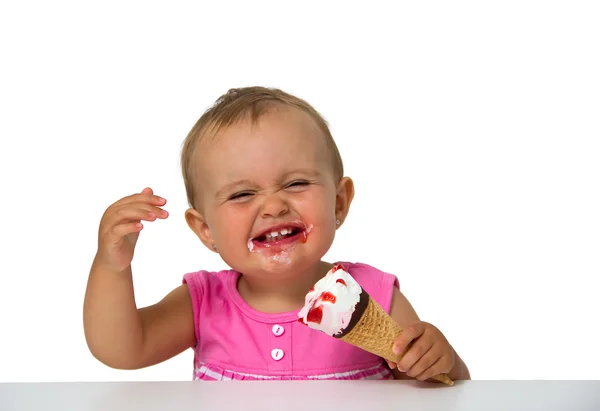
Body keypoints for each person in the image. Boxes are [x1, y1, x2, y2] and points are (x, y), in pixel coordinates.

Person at [83, 86, 471, 382]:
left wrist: (441, 359)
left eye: (297, 183)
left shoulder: (373, 294)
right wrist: (112, 268)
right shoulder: (203, 303)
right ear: (206, 230)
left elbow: (440, 387)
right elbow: (122, 350)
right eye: (242, 194)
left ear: (338, 203)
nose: (272, 207)